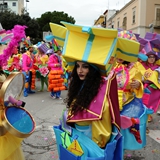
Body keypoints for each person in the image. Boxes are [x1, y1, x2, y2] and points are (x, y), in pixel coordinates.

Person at [138, 52, 160, 119]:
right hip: (142, 86)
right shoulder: (141, 65)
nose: (152, 59)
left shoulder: (157, 67)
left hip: (154, 86)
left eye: (153, 57)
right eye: (150, 57)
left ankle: (149, 114)